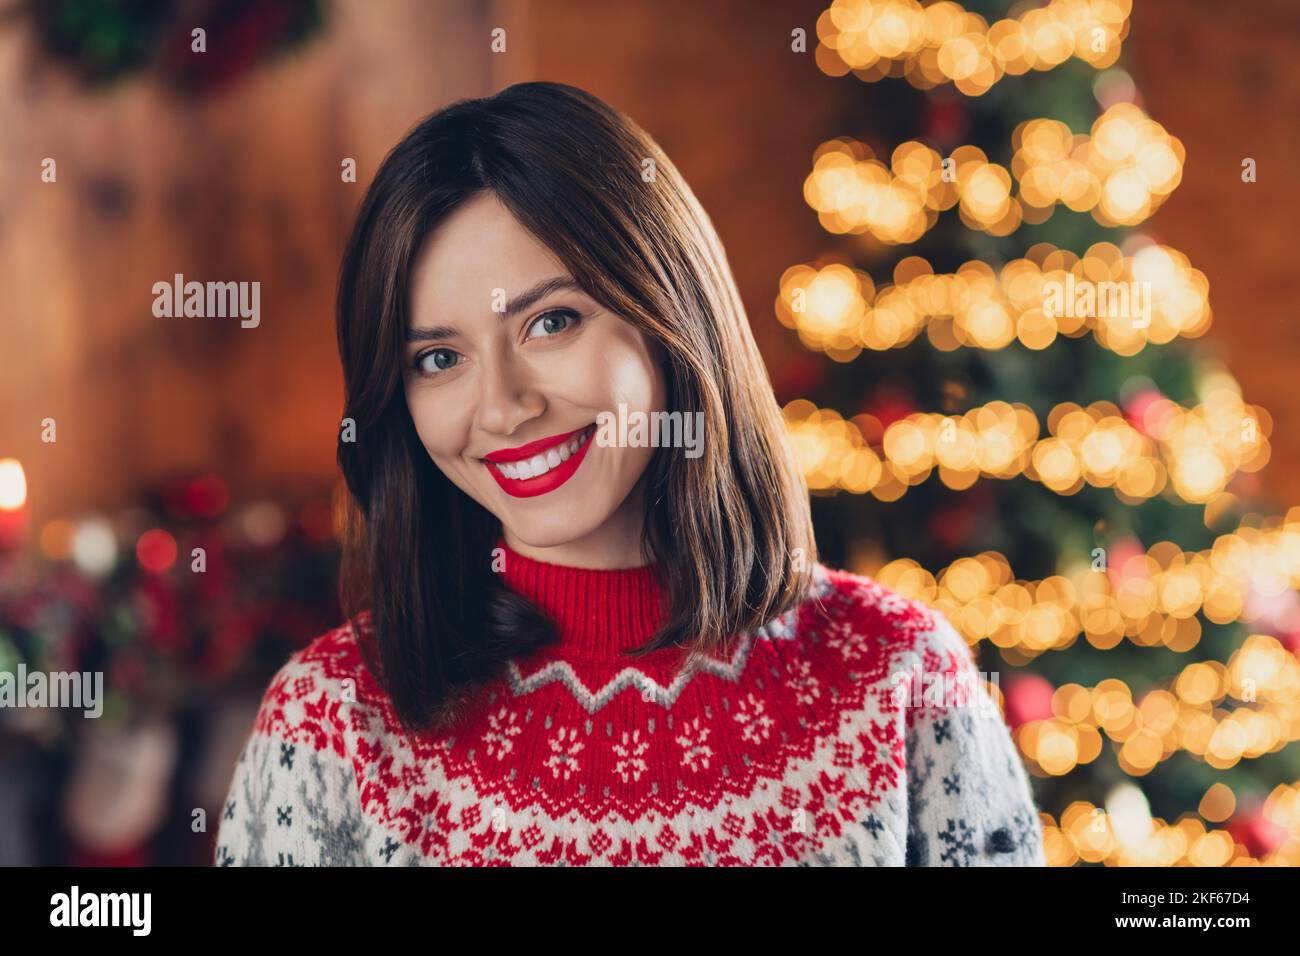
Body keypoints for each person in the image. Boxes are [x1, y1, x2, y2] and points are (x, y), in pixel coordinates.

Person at [214, 81, 1046, 867]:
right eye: (438, 358)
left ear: (671, 316)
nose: (501, 407)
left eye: (551, 322)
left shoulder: (899, 674)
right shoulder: (331, 721)